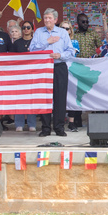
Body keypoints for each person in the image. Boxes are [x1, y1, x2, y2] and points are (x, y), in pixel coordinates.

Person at [29, 8, 76, 137]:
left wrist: (60, 55)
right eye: (45, 18)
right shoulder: (39, 32)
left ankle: (59, 127)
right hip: (43, 68)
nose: (47, 20)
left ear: (55, 20)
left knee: (60, 98)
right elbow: (32, 49)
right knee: (44, 98)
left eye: (49, 18)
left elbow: (71, 51)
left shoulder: (62, 32)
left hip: (59, 66)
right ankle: (45, 128)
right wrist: (47, 42)